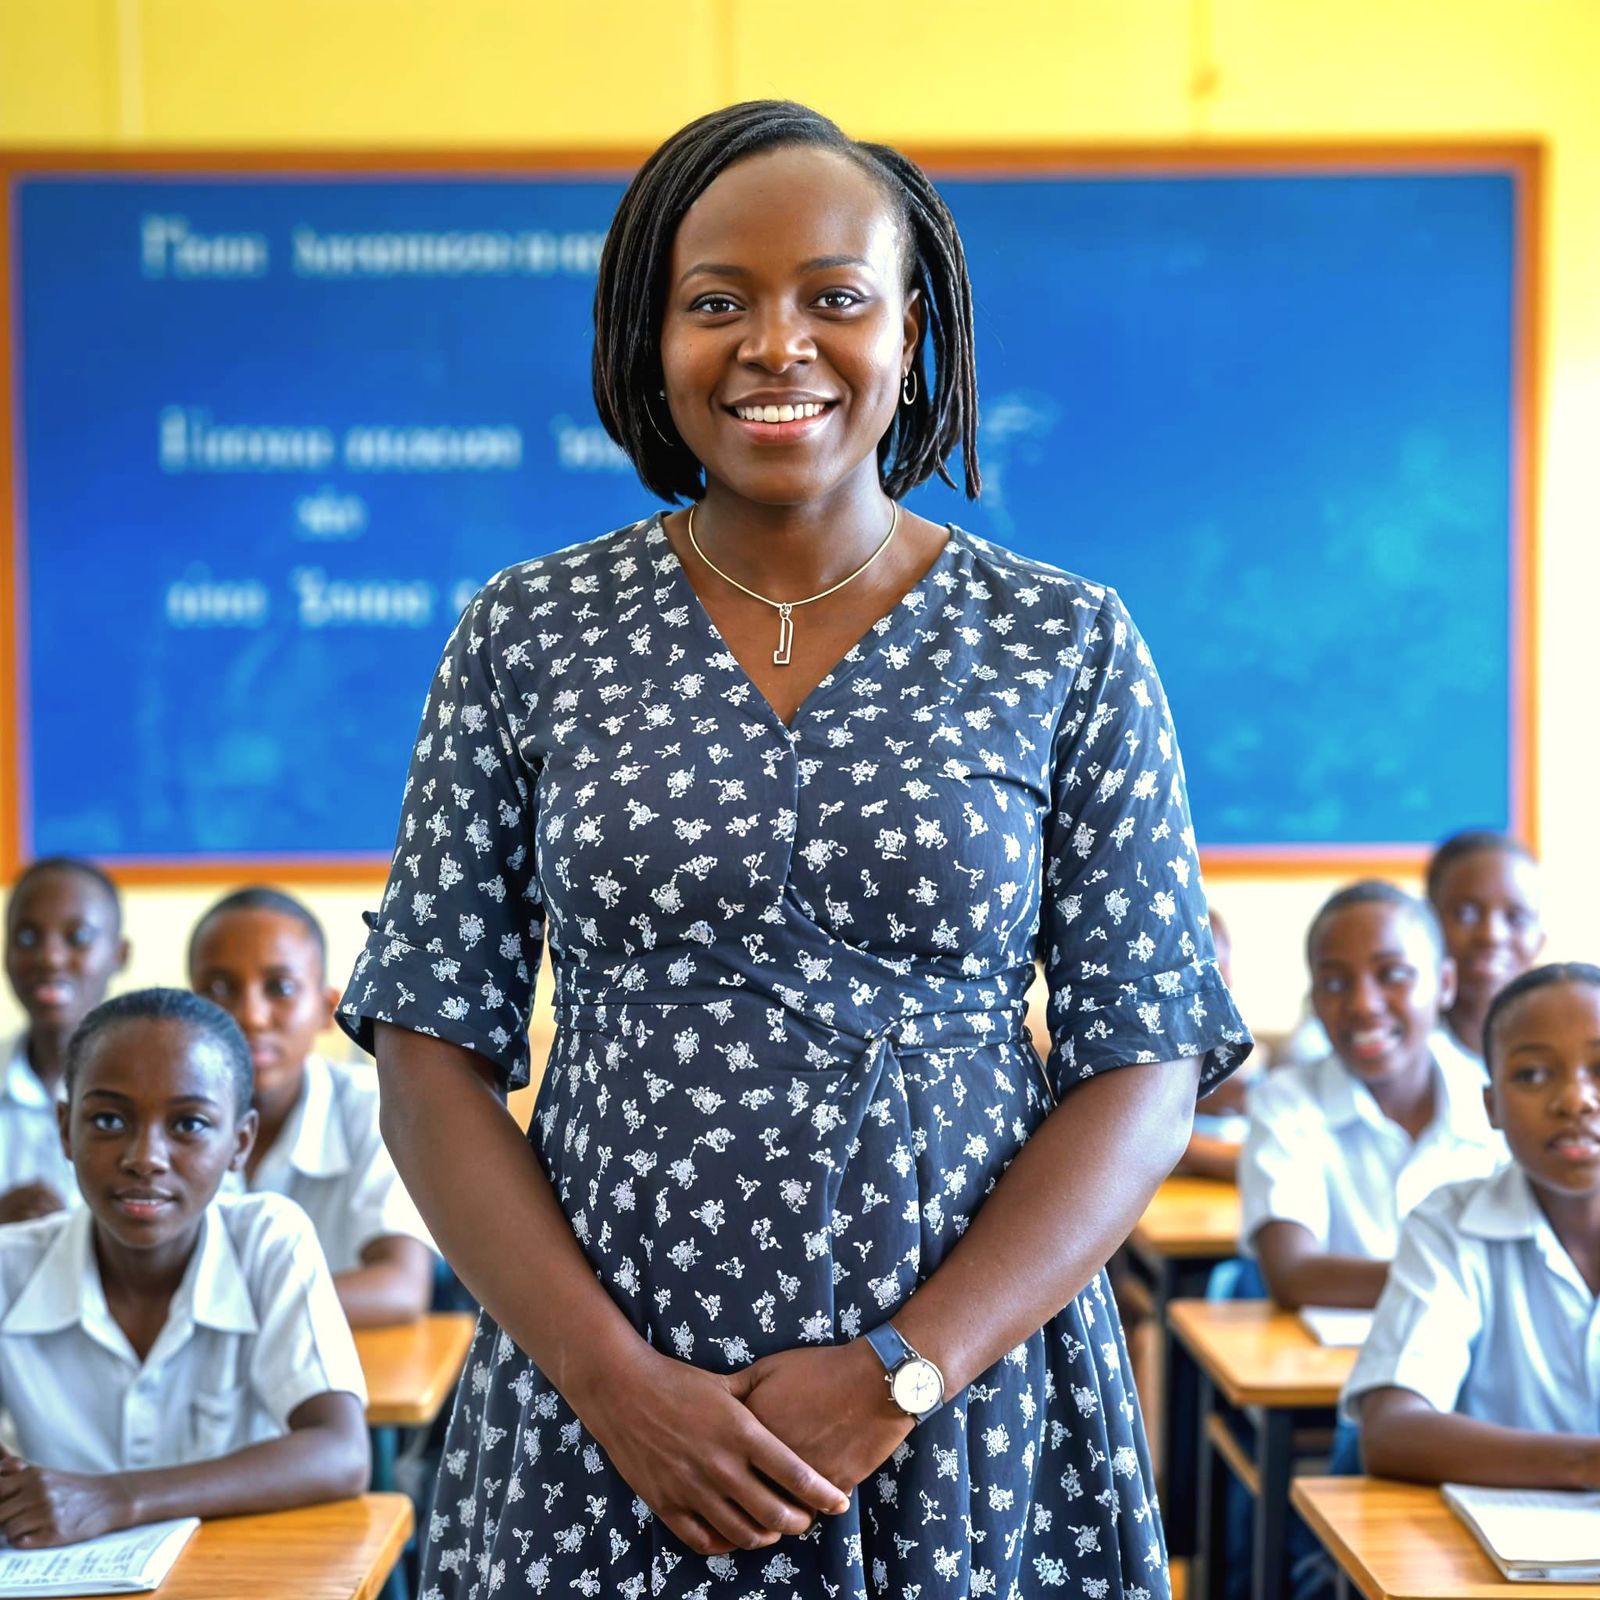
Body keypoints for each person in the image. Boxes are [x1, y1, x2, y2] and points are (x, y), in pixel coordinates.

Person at [341, 100, 1249, 1599]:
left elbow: (1144, 1068)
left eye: (835, 296)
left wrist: (903, 1371)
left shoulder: (1063, 644)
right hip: (604, 1404)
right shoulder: (527, 635)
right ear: (651, 340)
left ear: (912, 333)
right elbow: (427, 1055)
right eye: (717, 303)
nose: (777, 345)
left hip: (961, 1406)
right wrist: (618, 1388)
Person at [0, 989, 368, 1547]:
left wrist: (117, 1499)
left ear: (240, 1143)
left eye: (189, 1125)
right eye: (107, 1119)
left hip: (239, 1572)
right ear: (65, 1129)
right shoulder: (11, 1269)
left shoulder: (268, 1240)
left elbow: (341, 1452)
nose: (144, 1158)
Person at [1346, 962, 1600, 1483]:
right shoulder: (1449, 1227)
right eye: (1532, 1075)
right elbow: (1391, 1431)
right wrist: (1585, 1464)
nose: (1576, 1101)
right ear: (1492, 1106)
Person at [1240, 880, 1504, 1309]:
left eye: (1393, 975)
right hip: (1331, 1352)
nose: (1363, 1004)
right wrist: (1468, 1282)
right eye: (1334, 983)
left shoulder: (1494, 1102)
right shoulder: (1286, 1103)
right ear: (1314, 998)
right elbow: (1291, 1274)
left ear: (1445, 983)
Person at [188, 888, 433, 1326]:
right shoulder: (164, 1119)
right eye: (220, 989)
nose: (252, 1016)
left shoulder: (374, 1109)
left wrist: (227, 1310)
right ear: (190, 1010)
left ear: (325, 1010)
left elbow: (400, 1287)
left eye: (280, 988)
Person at [1, 857, 129, 1222]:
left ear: (120, 955)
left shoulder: (159, 1087)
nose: (50, 958)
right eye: (27, 938)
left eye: (79, 938)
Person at [1425, 830, 1545, 1074]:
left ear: (1540, 940)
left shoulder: (1571, 1040)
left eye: (1516, 918)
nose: (1491, 935)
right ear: (1426, 926)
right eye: (1465, 914)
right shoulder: (1400, 1056)